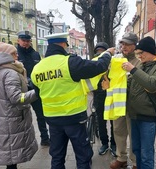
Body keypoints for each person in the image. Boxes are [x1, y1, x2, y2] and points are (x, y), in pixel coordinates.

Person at [30, 32, 115, 169]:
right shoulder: (70, 62)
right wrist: (107, 54)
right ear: (63, 44)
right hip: (74, 119)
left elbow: (38, 94)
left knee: (57, 157)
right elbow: (99, 66)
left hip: (53, 120)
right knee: (83, 156)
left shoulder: (37, 69)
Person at [122, 36, 156, 169]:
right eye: (137, 54)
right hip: (135, 116)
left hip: (148, 118)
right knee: (137, 150)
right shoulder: (143, 66)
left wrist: (133, 69)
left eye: (140, 53)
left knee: (146, 154)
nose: (139, 56)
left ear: (149, 51)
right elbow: (131, 85)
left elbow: (152, 84)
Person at [0, 41, 38, 169]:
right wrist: (37, 92)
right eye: (13, 53)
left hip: (6, 115)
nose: (17, 55)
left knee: (11, 153)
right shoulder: (10, 72)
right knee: (11, 153)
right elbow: (16, 98)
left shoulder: (4, 69)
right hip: (12, 117)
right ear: (6, 55)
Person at [109, 32, 139, 169]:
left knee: (133, 133)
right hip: (118, 103)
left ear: (134, 45)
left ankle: (135, 161)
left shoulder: (138, 61)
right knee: (118, 130)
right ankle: (121, 158)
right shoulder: (117, 59)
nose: (124, 46)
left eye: (127, 44)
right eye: (122, 43)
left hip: (132, 104)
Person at [17, 30, 50, 146]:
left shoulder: (35, 54)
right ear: (18, 40)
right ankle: (22, 141)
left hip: (35, 89)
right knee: (21, 117)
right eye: (23, 40)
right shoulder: (15, 54)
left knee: (41, 115)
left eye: (27, 41)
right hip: (21, 90)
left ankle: (45, 138)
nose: (25, 43)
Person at [92, 42, 116, 156]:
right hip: (99, 98)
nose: (99, 54)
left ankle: (114, 144)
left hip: (112, 97)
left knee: (114, 122)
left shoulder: (113, 64)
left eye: (102, 51)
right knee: (101, 123)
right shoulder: (93, 63)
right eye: (98, 52)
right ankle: (104, 143)